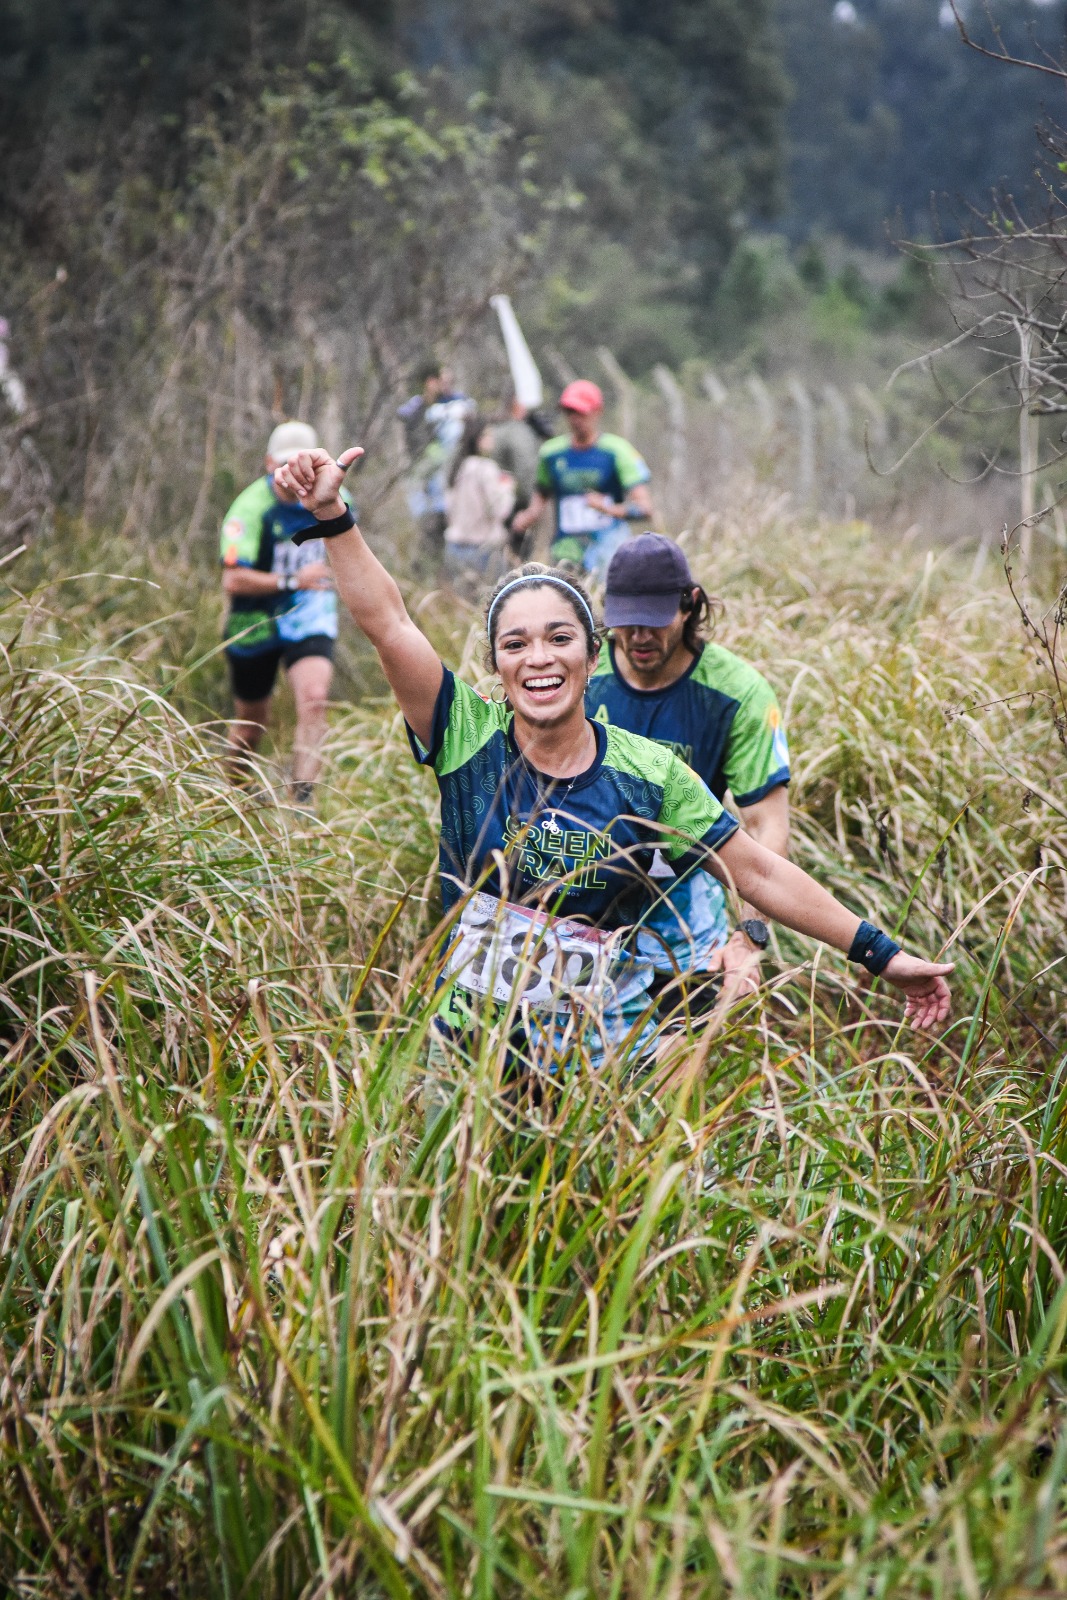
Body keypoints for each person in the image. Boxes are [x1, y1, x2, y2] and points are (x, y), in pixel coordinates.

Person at [275, 441, 953, 1075]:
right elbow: (388, 624)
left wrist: (882, 956)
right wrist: (332, 517)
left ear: (591, 655)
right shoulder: (465, 737)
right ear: (495, 665)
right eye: (514, 645)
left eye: (558, 638)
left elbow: (759, 872)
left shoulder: (651, 775)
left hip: (596, 1057)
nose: (537, 658)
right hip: (466, 1051)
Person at [586, 534, 791, 1014]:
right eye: (626, 622)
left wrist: (749, 934)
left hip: (684, 895)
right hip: (585, 888)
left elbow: (765, 823)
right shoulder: (580, 676)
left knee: (678, 1056)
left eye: (654, 622)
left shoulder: (738, 693)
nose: (638, 637)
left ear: (690, 605)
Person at [219, 420, 351, 807]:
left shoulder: (333, 498)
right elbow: (233, 580)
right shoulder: (249, 509)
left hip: (310, 614)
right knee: (251, 725)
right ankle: (231, 802)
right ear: (268, 464)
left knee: (314, 700)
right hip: (254, 620)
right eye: (284, 468)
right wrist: (293, 580)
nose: (294, 479)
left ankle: (303, 806)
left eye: (302, 468)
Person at [511, 380, 653, 576]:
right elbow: (540, 496)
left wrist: (607, 508)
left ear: (597, 411)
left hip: (609, 553)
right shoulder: (551, 453)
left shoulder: (617, 451)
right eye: (569, 412)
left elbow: (645, 509)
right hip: (566, 551)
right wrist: (527, 518)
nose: (574, 419)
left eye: (580, 411)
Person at [396, 361, 475, 554]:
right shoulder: (417, 406)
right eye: (442, 380)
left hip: (445, 478)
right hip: (423, 474)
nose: (445, 385)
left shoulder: (456, 403)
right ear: (430, 382)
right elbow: (407, 422)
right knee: (426, 525)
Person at [442, 416, 517, 588]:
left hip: (455, 547)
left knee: (461, 606)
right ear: (478, 439)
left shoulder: (456, 467)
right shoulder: (486, 468)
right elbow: (500, 510)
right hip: (483, 550)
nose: (492, 439)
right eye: (488, 435)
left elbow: (448, 509)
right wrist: (507, 488)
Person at [491, 395, 554, 553]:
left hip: (492, 505)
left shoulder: (493, 429)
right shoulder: (519, 433)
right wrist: (531, 507)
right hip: (514, 506)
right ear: (517, 406)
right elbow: (526, 472)